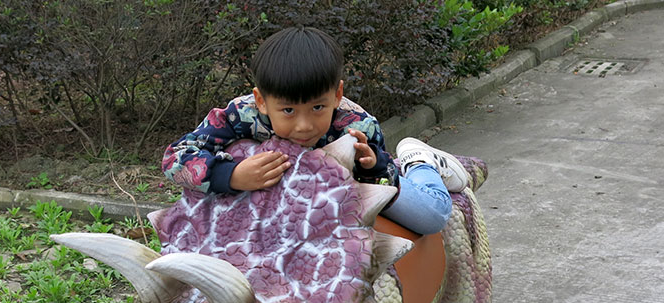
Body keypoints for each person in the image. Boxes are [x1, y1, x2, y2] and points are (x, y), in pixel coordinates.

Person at [161, 26, 470, 235]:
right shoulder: (238, 115)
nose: (304, 125)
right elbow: (175, 159)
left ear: (337, 95)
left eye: (318, 108)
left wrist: (372, 165)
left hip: (339, 201)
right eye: (288, 110)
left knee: (432, 217)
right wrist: (231, 175)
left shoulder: (356, 125)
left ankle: (421, 162)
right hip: (279, 211)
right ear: (261, 101)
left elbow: (380, 181)